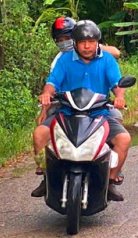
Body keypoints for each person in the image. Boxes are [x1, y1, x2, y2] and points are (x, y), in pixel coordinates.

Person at [31, 20, 131, 201]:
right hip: (66, 112)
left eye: (91, 42)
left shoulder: (107, 60)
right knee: (39, 134)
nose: (87, 46)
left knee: (123, 139)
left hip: (99, 113)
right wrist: (46, 94)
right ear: (75, 43)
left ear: (97, 42)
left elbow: (117, 84)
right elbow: (52, 83)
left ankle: (110, 180)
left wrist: (119, 96)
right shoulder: (65, 59)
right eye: (82, 42)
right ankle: (47, 177)